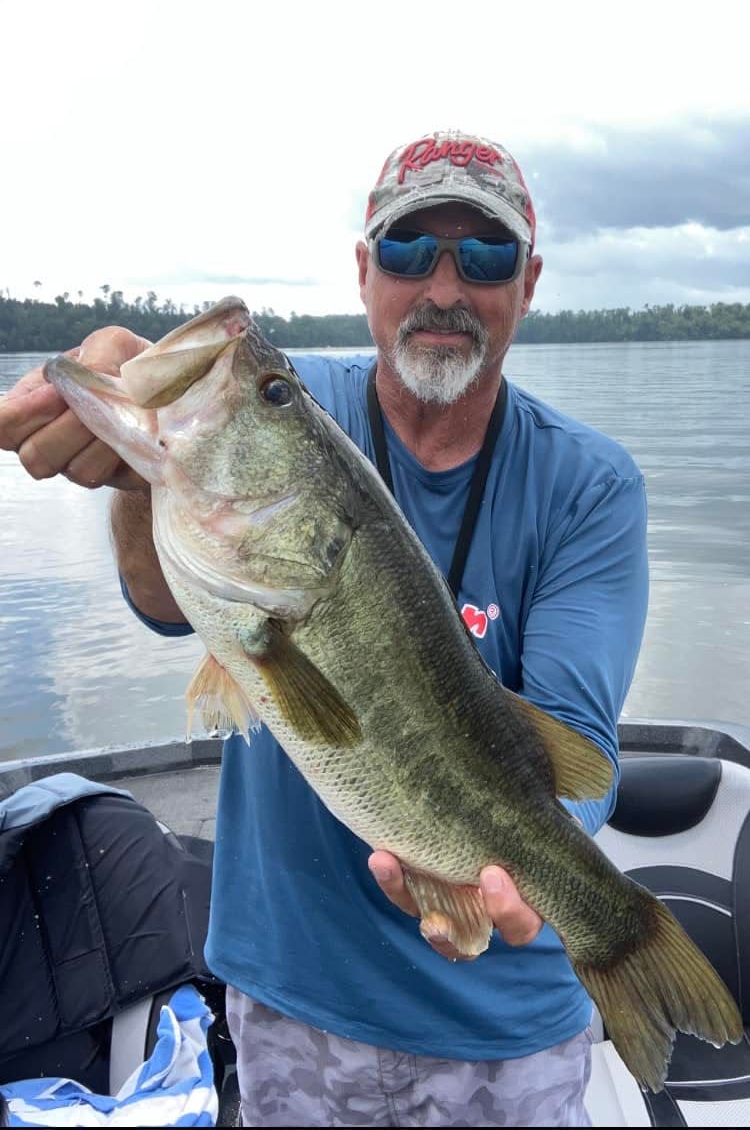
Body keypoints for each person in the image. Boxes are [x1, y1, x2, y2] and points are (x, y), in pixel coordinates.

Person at [0, 130, 649, 1127]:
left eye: (483, 256)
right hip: (290, 997)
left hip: (507, 1025)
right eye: (406, 251)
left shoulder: (589, 484)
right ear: (364, 271)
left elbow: (578, 754)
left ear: (528, 282)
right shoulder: (308, 414)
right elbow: (167, 606)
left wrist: (540, 889)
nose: (443, 284)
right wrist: (143, 477)